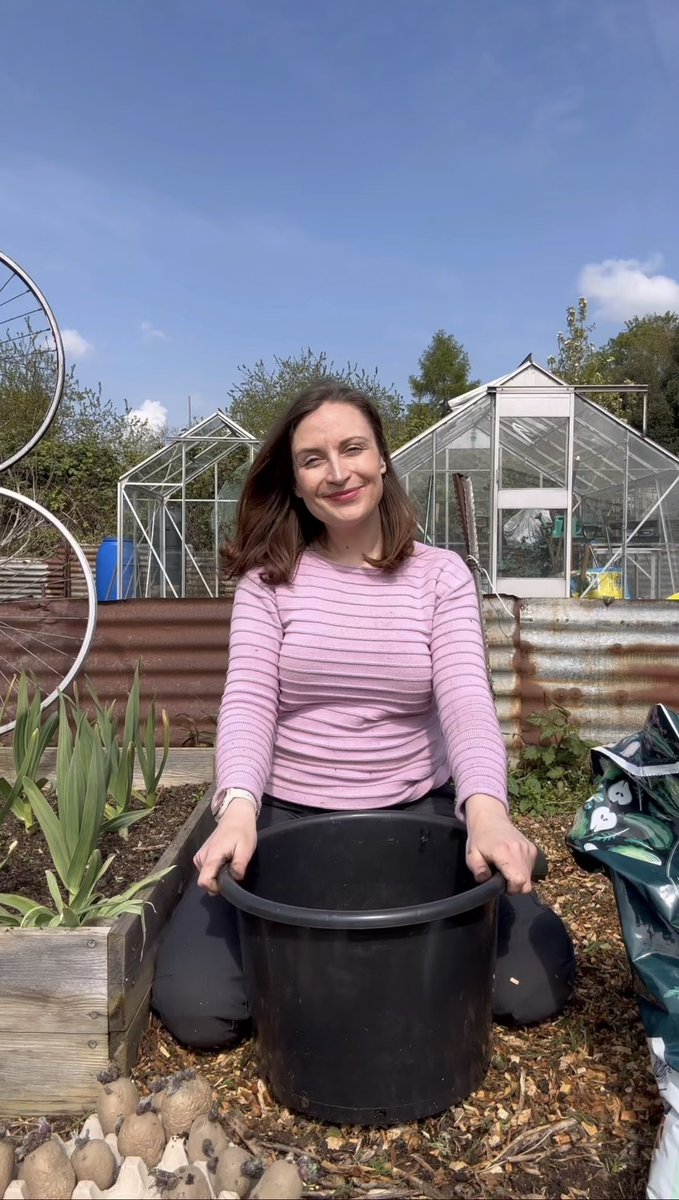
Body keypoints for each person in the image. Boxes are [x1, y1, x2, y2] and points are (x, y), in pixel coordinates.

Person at [152, 383, 575, 1048]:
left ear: (382, 460)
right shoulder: (268, 582)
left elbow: (465, 700)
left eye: (352, 449)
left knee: (533, 986)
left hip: (416, 812)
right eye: (313, 459)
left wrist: (486, 809)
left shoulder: (440, 576)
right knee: (200, 1008)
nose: (338, 471)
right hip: (287, 816)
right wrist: (237, 806)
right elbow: (249, 701)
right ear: (294, 482)